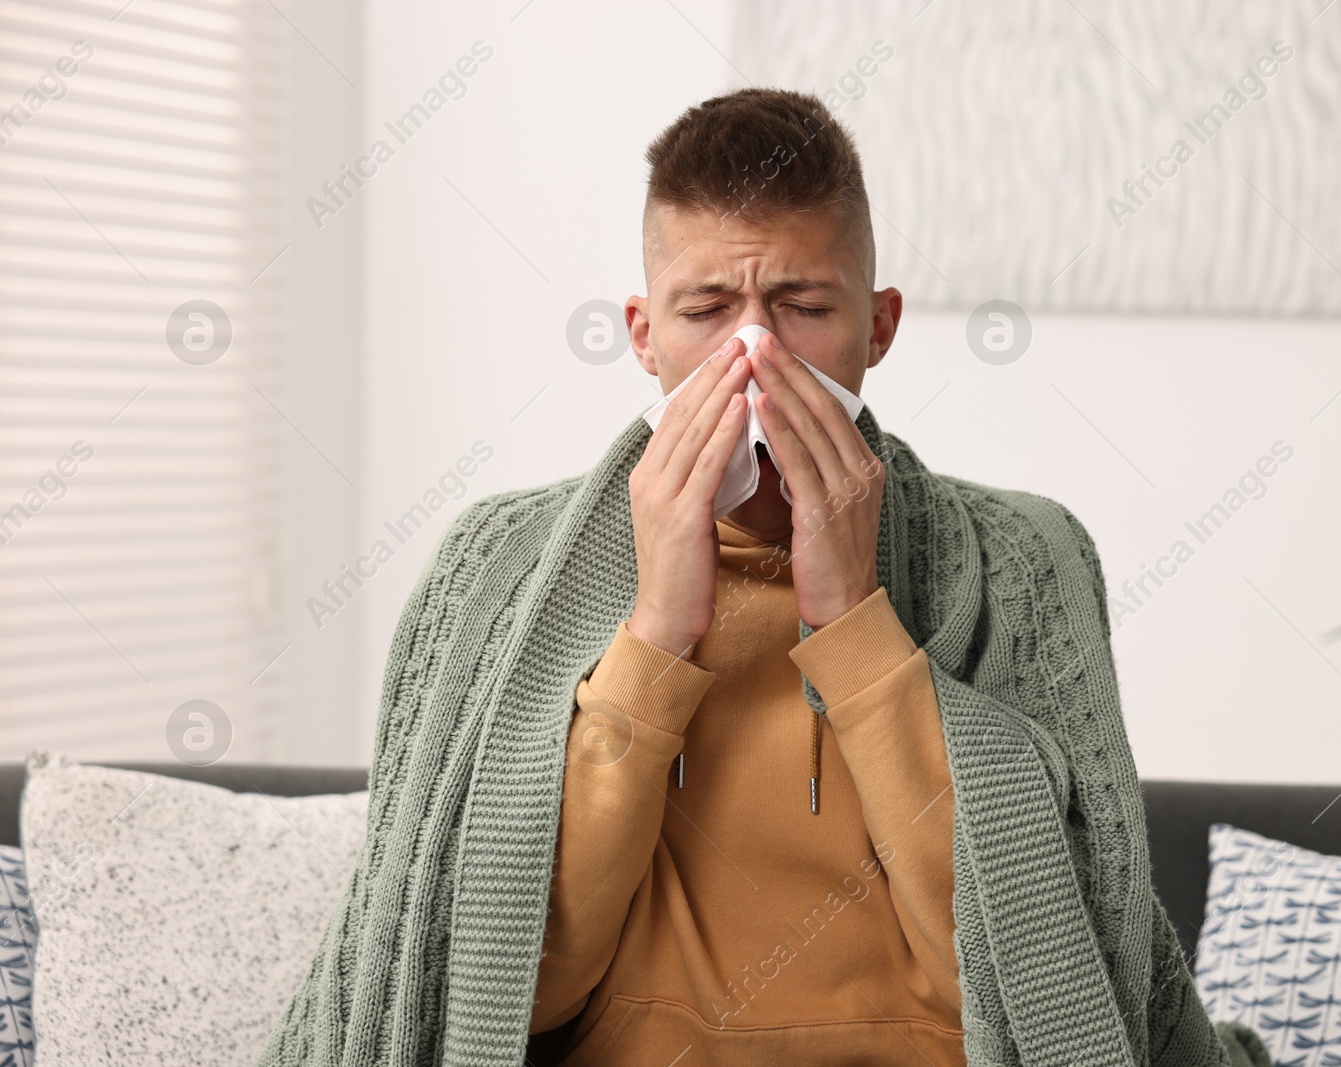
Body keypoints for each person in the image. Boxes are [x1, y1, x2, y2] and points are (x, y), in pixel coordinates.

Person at [257, 87, 1269, 1067]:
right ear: (644, 333)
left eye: (800, 305)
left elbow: (1038, 991)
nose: (754, 353)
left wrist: (854, 622)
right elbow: (499, 992)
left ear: (878, 326)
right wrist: (657, 628)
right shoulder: (494, 565)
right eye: (707, 307)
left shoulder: (1026, 559)